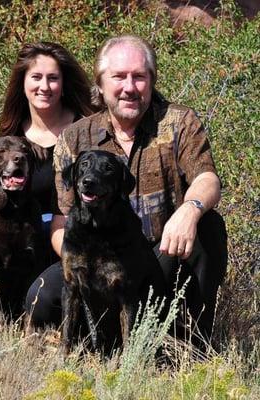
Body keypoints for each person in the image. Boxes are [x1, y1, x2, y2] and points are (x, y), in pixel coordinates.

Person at [27, 35, 227, 347]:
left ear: (151, 80)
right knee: (42, 297)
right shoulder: (75, 138)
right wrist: (79, 259)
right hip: (94, 256)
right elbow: (61, 218)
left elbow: (207, 179)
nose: (129, 87)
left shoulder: (179, 121)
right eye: (119, 77)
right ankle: (98, 345)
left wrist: (191, 209)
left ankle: (190, 344)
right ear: (101, 84)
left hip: (161, 256)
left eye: (139, 77)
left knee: (209, 225)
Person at [0, 41, 95, 266]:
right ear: (22, 83)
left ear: (63, 84)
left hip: (77, 242)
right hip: (24, 250)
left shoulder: (86, 129)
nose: (45, 86)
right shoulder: (11, 135)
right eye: (36, 77)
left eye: (53, 78)